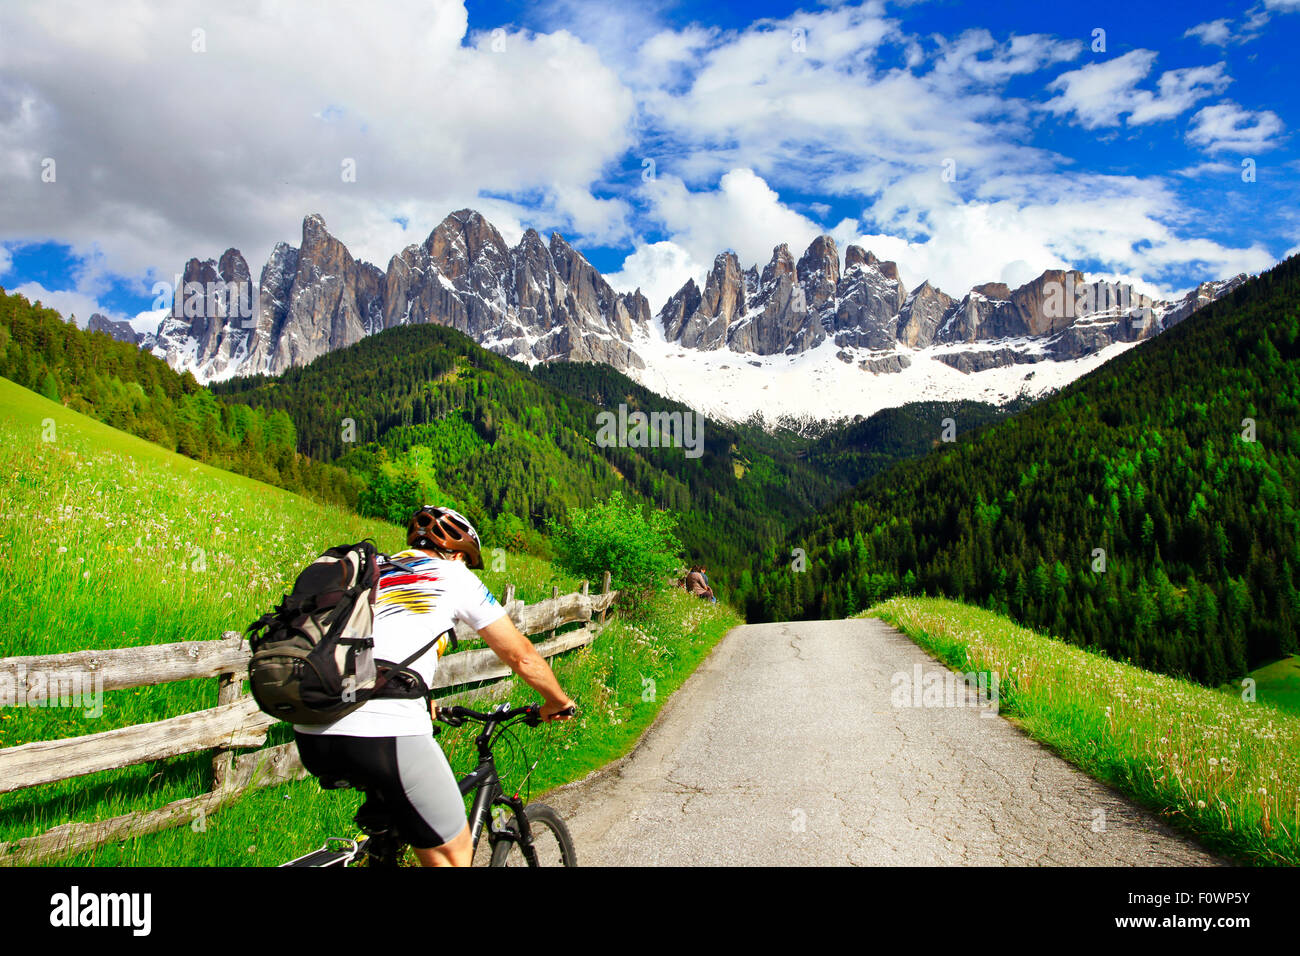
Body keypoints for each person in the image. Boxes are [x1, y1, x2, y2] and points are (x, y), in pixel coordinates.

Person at [292, 505, 576, 867]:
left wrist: (424, 698)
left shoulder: (370, 573)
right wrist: (557, 701)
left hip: (312, 731)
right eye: (467, 561)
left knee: (399, 829)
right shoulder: (454, 576)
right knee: (454, 854)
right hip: (383, 732)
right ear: (458, 554)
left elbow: (376, 647)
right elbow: (521, 656)